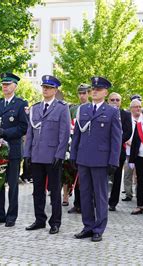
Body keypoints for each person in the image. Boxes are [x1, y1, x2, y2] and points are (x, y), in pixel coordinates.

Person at [70, 76, 122, 242]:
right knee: (84, 194)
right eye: (93, 89)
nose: (94, 92)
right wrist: (73, 155)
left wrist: (113, 161)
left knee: (100, 196)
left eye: (98, 90)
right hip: (83, 158)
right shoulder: (83, 109)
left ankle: (99, 228)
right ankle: (88, 226)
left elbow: (116, 139)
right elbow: (77, 134)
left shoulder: (112, 112)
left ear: (105, 92)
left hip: (101, 160)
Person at [23, 75, 71, 235]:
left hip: (52, 156)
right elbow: (30, 132)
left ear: (55, 90)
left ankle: (55, 222)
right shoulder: (35, 108)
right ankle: (39, 219)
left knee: (55, 191)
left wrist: (60, 155)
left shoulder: (62, 107)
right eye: (44, 87)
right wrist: (27, 154)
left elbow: (64, 134)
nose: (45, 90)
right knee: (37, 190)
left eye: (49, 87)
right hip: (36, 155)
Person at [0, 73, 28, 227]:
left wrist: (5, 133)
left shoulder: (20, 104)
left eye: (8, 84)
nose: (5, 87)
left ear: (15, 86)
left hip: (13, 150)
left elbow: (24, 127)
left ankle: (11, 216)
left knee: (12, 185)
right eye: (3, 84)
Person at [65, 83, 91, 214]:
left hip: (88, 148)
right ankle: (77, 203)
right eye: (80, 93)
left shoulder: (92, 108)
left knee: (86, 179)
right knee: (76, 177)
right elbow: (69, 126)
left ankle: (88, 204)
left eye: (84, 93)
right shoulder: (73, 109)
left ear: (89, 93)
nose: (82, 96)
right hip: (75, 147)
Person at [107, 92, 132, 211]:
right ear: (108, 101)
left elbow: (128, 132)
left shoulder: (126, 115)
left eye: (117, 100)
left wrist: (116, 140)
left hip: (118, 151)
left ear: (121, 102)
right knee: (101, 177)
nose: (115, 102)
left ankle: (113, 202)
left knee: (117, 178)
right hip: (103, 151)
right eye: (112, 100)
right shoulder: (103, 112)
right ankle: (98, 200)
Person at [123, 99, 143, 201]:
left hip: (140, 152)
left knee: (140, 174)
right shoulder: (126, 119)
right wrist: (127, 141)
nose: (138, 109)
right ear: (131, 108)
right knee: (127, 174)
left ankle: (139, 193)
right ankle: (128, 194)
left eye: (139, 106)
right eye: (136, 107)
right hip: (128, 151)